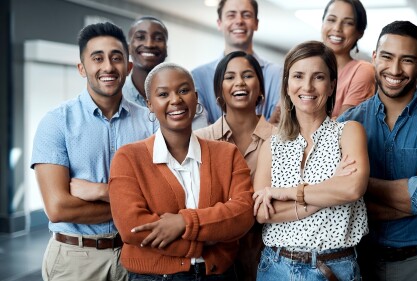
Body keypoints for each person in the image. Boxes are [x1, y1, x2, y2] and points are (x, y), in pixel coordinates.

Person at [337, 21, 417, 281]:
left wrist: (358, 183)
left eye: (407, 60)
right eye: (386, 57)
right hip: (358, 262)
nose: (394, 69)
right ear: (374, 58)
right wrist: (414, 195)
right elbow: (339, 204)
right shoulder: (348, 123)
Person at [30, 22, 158, 281]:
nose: (108, 67)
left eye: (116, 58)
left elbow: (164, 197)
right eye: (97, 58)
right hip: (75, 260)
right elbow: (58, 208)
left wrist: (101, 192)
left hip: (137, 255)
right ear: (82, 68)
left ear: (129, 67)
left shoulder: (151, 123)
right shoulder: (56, 122)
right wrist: (135, 205)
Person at [109, 62, 255, 280]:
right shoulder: (128, 158)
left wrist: (184, 223)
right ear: (150, 104)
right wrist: (208, 236)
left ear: (196, 98)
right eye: (163, 94)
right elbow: (133, 227)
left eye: (184, 90)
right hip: (154, 277)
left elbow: (242, 214)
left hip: (219, 275)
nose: (175, 100)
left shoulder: (228, 154)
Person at [253, 41, 369, 281]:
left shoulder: (348, 132)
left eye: (318, 77)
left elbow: (352, 188)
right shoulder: (271, 145)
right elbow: (263, 213)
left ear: (331, 85)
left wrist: (287, 193)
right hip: (275, 266)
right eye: (298, 76)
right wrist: (325, 195)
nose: (307, 86)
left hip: (333, 268)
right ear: (287, 84)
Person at [195, 51, 276, 281]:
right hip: (214, 259)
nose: (239, 82)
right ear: (219, 90)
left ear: (260, 88)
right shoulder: (199, 140)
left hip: (269, 256)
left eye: (247, 75)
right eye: (229, 77)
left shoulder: (283, 139)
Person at [268, 0, 375, 124]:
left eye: (348, 23)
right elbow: (277, 121)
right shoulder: (303, 63)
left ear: (359, 32)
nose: (337, 28)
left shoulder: (362, 70)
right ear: (322, 23)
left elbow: (342, 126)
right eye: (331, 19)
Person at [192, 0, 282, 124]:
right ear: (219, 23)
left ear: (256, 23)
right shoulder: (197, 77)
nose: (239, 21)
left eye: (246, 15)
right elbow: (200, 130)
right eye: (231, 15)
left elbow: (280, 127)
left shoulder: (278, 74)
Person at [124, 16, 208, 129]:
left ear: (166, 49)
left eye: (158, 38)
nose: (149, 44)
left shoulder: (187, 94)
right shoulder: (118, 96)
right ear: (128, 47)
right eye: (140, 37)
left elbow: (199, 137)